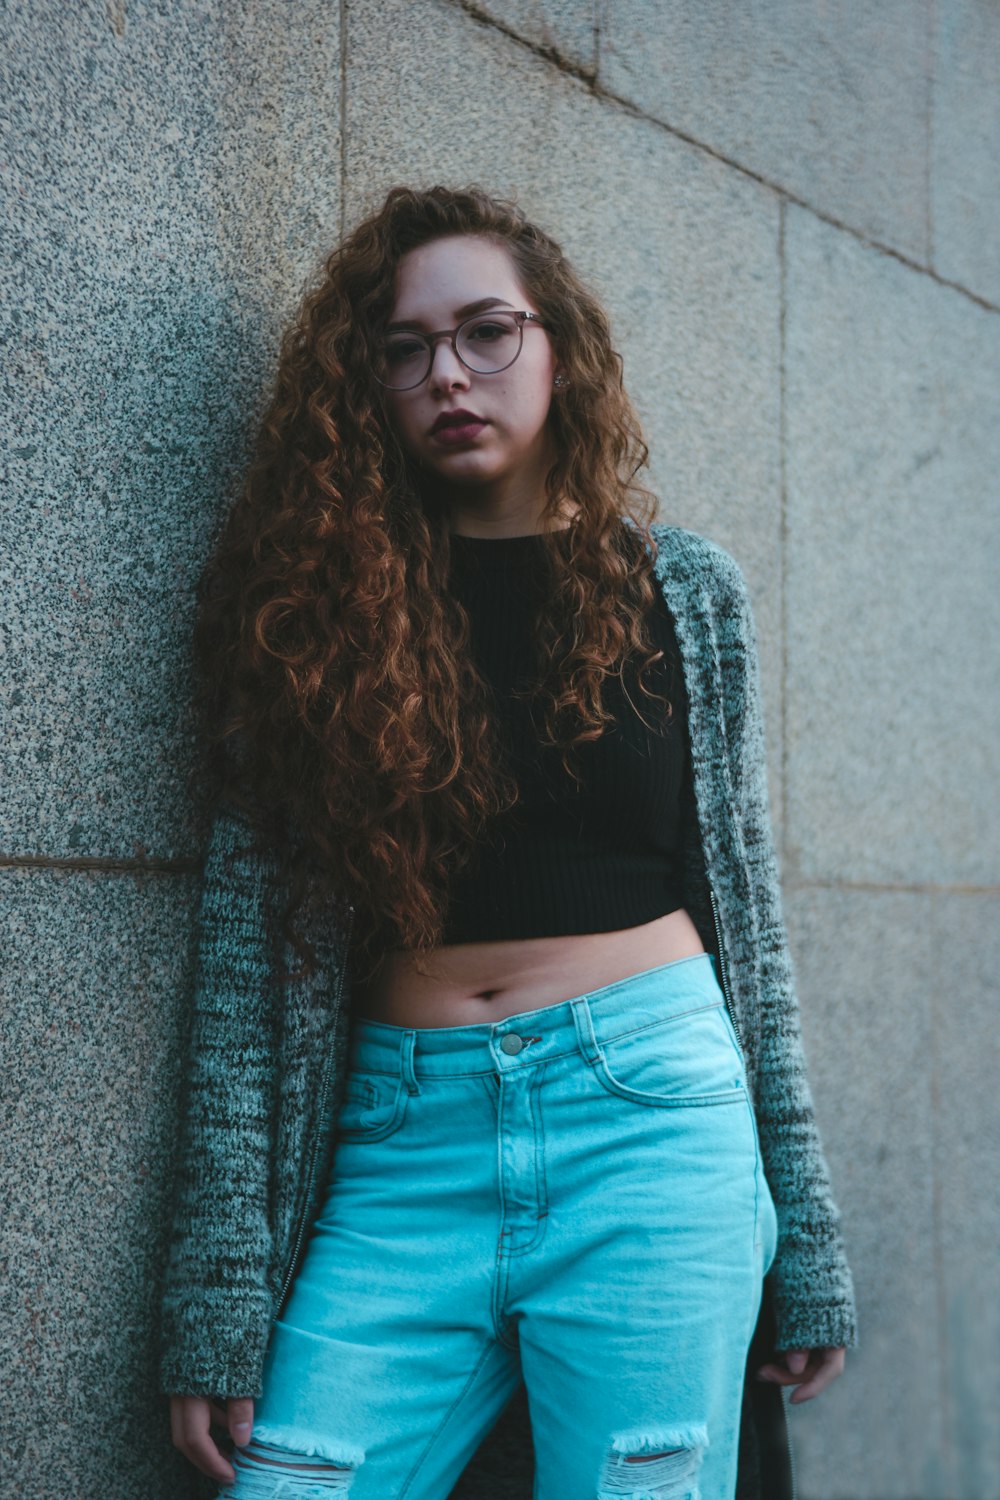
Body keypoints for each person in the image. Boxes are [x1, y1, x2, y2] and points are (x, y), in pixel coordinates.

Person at [160, 183, 858, 1500]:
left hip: (649, 1123)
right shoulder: (308, 609)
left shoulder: (684, 589)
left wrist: (806, 1229)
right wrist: (215, 1292)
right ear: (365, 386)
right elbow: (245, 968)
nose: (448, 376)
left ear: (560, 349)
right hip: (402, 1145)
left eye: (488, 332)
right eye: (405, 349)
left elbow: (751, 925)